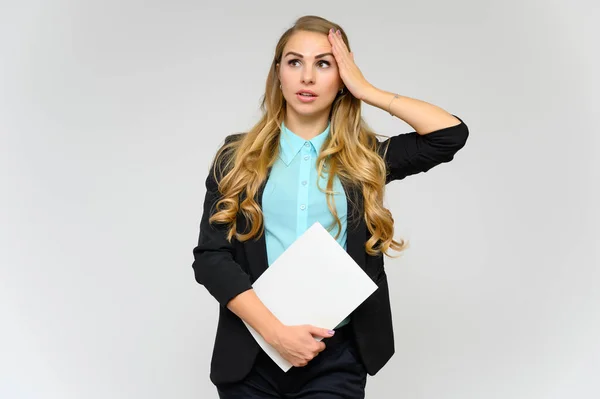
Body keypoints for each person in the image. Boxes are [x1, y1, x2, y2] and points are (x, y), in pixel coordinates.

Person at [192, 15, 469, 399]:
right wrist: (277, 334)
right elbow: (211, 258)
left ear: (342, 76)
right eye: (295, 62)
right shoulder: (236, 157)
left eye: (324, 64)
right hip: (251, 355)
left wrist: (366, 89)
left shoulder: (365, 159)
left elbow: (450, 135)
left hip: (336, 358)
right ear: (279, 73)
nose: (307, 77)